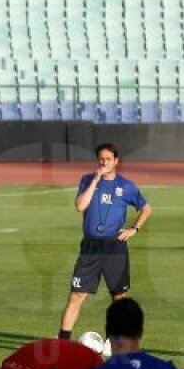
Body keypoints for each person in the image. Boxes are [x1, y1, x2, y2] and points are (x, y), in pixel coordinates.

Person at [58, 142, 152, 340]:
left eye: (108, 159)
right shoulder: (87, 180)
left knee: (118, 298)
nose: (104, 162)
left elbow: (146, 208)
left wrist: (133, 229)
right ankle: (63, 342)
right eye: (101, 159)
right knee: (76, 295)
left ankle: (113, 341)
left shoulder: (126, 186)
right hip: (90, 246)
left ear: (116, 161)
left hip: (115, 246)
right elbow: (80, 206)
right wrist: (96, 179)